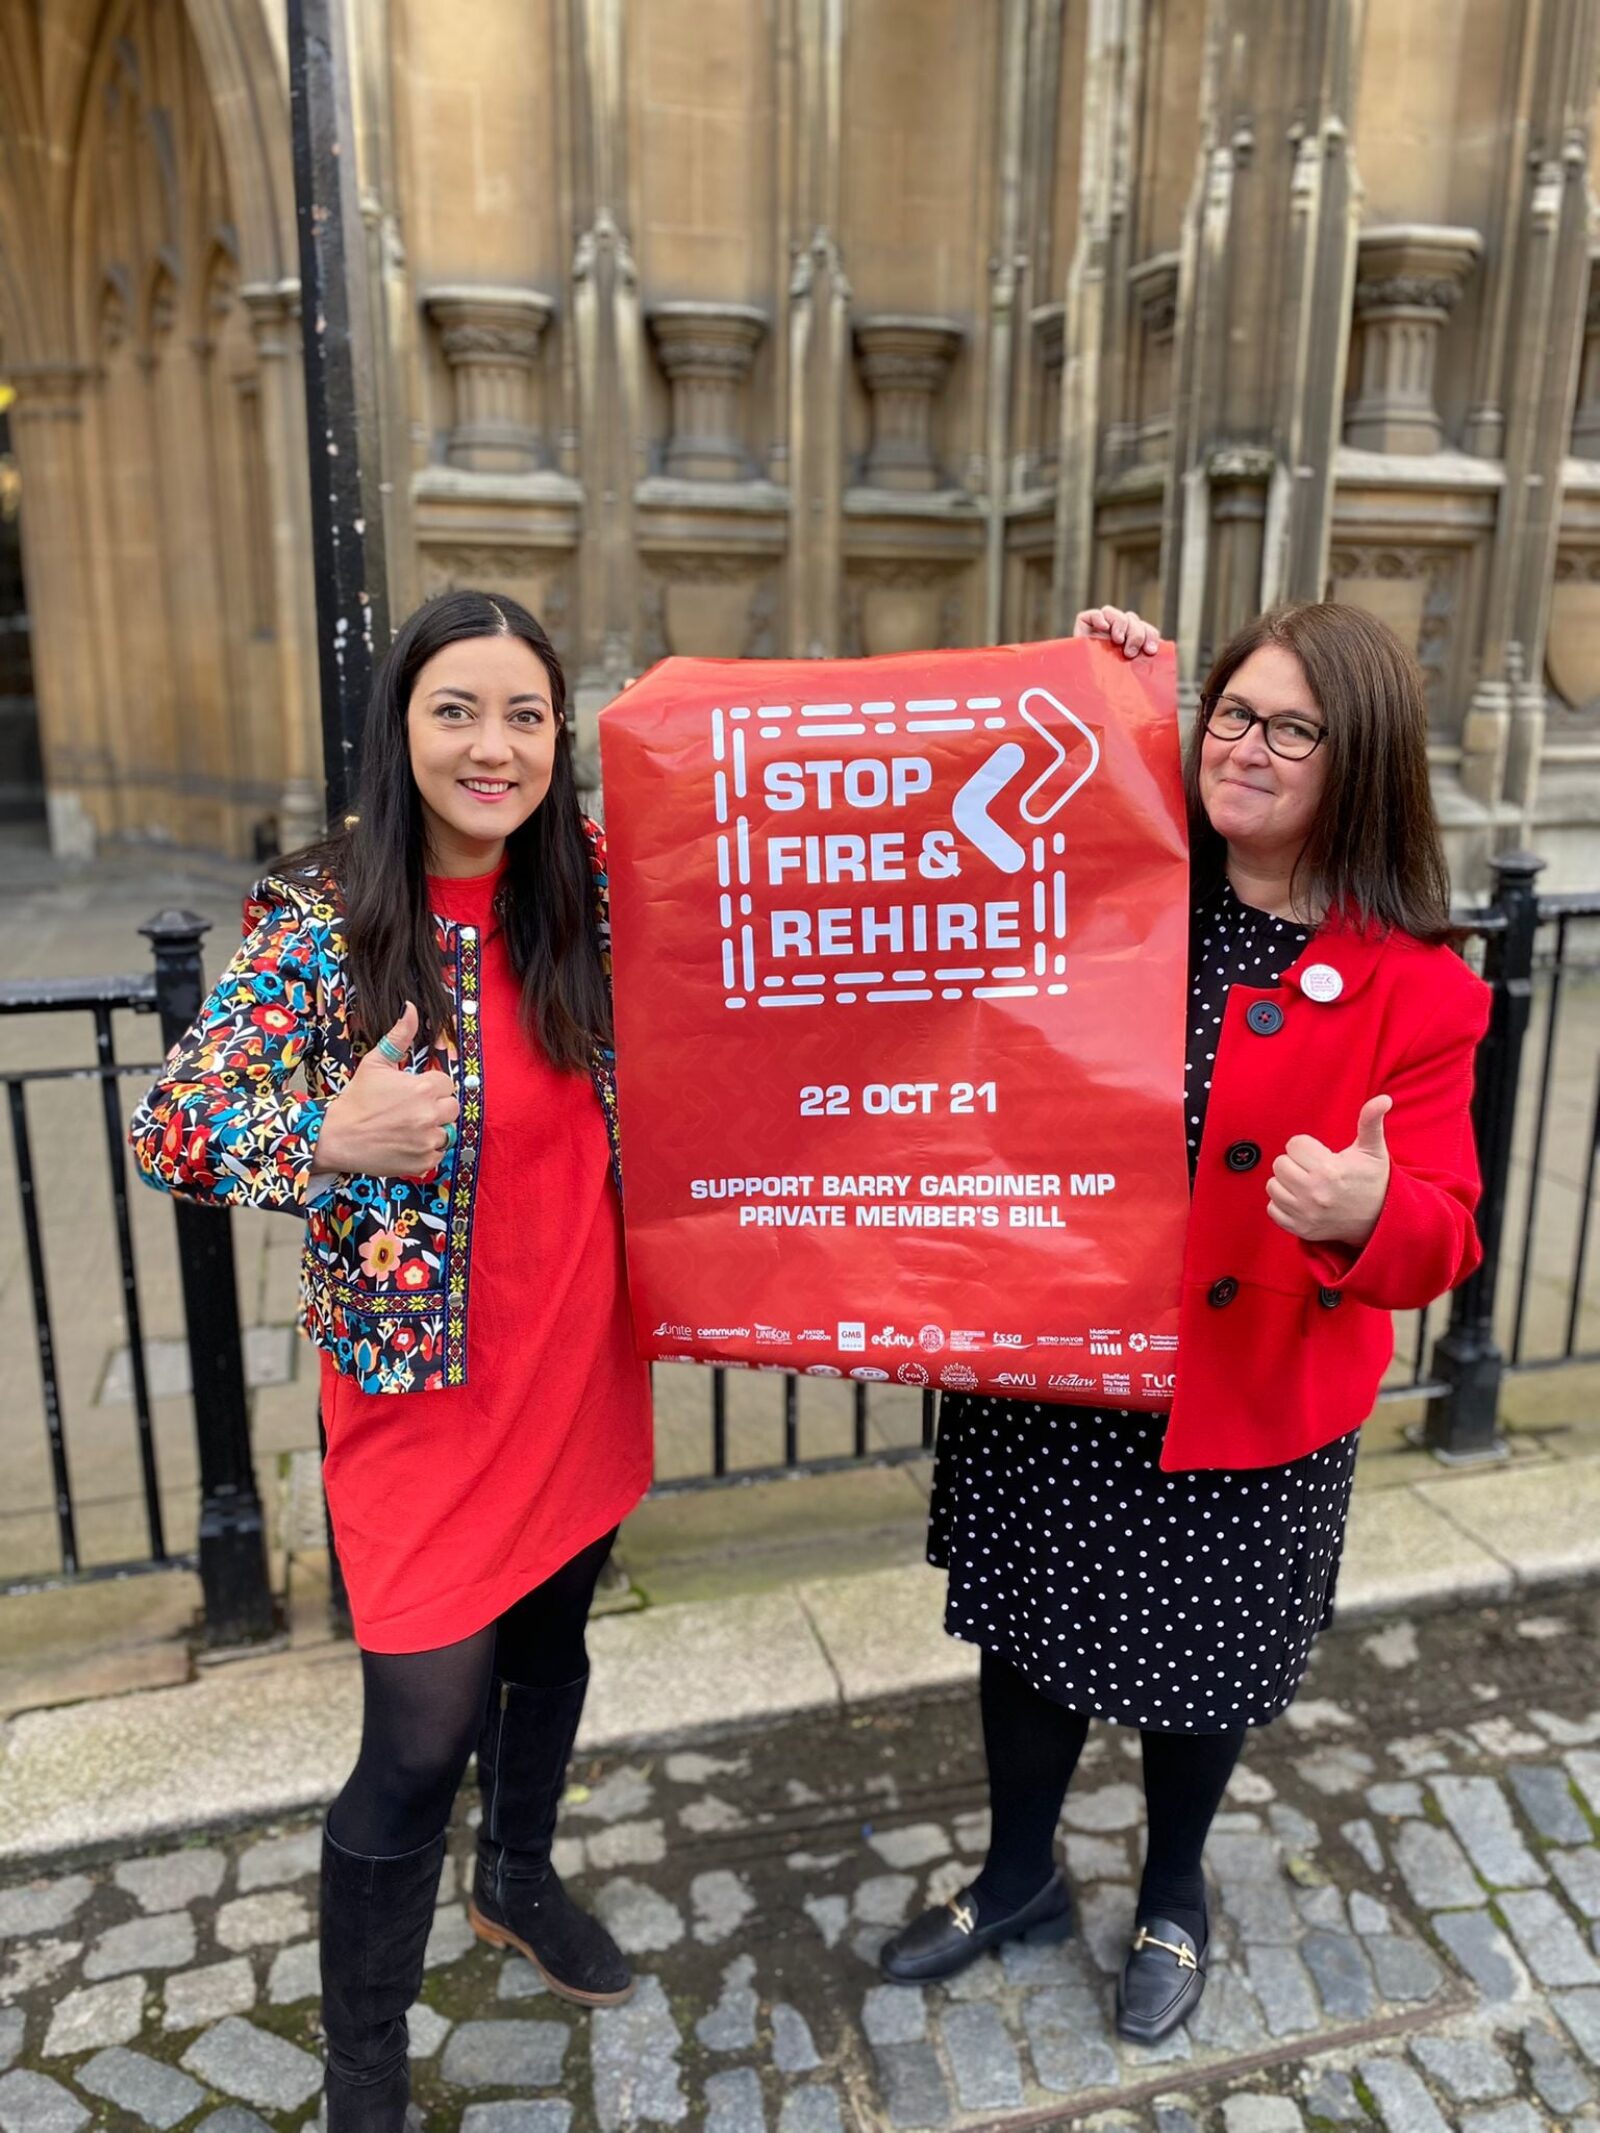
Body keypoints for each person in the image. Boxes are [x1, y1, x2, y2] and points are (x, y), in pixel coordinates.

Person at [879, 599, 1490, 2046]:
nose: (1250, 746)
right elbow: (990, 797)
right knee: (1028, 1636)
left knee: (1198, 1662)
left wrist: (1359, 1211)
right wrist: (1110, 677)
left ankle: (1171, 1892)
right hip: (1061, 1368)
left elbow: (1449, 1229)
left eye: (1295, 727)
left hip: (1241, 1392)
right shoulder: (1109, 887)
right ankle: (1018, 1873)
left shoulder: (1423, 989)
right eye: (1232, 712)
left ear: (1365, 764)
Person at [132, 591, 653, 2131]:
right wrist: (326, 1134)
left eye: (525, 716)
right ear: (402, 726)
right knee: (416, 1745)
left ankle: (519, 1880)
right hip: (422, 1399)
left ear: (561, 739)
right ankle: (365, 2066)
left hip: (580, 1364)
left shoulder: (599, 891)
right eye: (457, 709)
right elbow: (173, 1118)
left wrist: (1111, 700)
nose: (493, 746)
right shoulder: (322, 917)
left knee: (553, 1651)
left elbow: (843, 824)